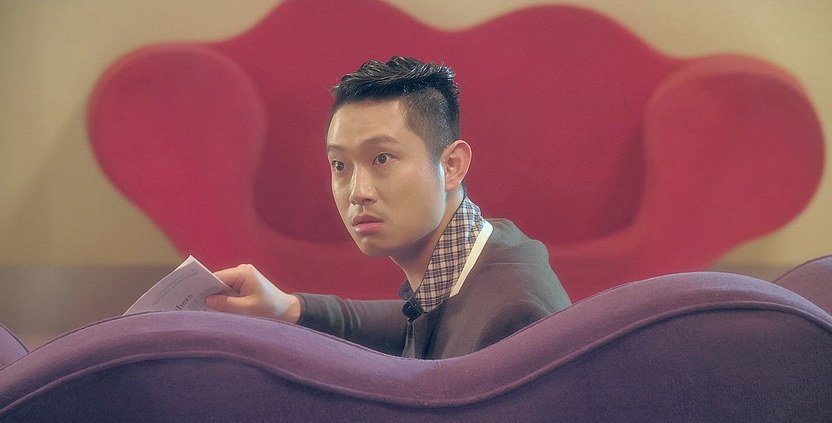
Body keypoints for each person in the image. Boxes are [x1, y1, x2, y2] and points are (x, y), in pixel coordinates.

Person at [206, 56, 571, 359]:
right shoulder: (473, 259)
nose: (358, 193)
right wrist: (287, 308)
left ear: (451, 166)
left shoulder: (512, 318)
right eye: (340, 165)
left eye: (382, 158)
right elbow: (406, 322)